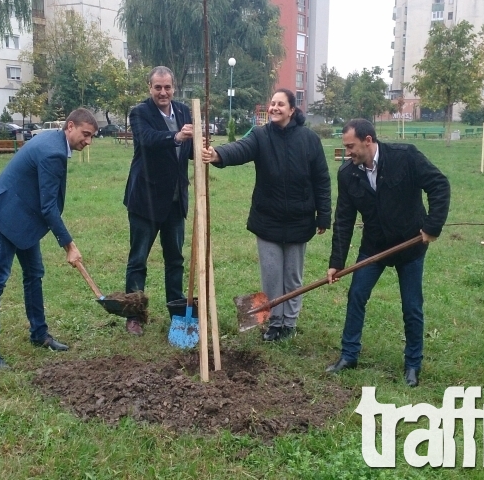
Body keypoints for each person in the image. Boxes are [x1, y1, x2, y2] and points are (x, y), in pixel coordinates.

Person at [325, 118, 450, 387]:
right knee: (356, 295)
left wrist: (432, 226)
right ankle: (349, 355)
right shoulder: (348, 173)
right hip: (374, 247)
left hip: (411, 246)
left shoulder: (405, 157)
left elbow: (439, 184)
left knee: (412, 306)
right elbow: (344, 219)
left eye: (351, 146)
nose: (348, 153)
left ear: (368, 140)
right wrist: (337, 262)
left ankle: (413, 365)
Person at [202, 88, 331, 341]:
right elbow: (241, 149)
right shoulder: (260, 136)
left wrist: (323, 215)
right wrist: (218, 154)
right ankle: (275, 322)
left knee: (293, 276)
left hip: (299, 219)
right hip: (267, 219)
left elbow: (322, 179)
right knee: (272, 275)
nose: (274, 108)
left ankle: (290, 324)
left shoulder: (309, 139)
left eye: (280, 104)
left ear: (292, 110)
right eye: (272, 103)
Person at [0, 108, 98, 370]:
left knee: (34, 273)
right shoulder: (53, 151)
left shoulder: (53, 140)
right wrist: (69, 245)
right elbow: (48, 207)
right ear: (70, 127)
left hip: (23, 216)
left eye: (92, 137)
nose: (88, 141)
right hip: (8, 214)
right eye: (85, 134)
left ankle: (39, 335)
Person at [123, 66, 194, 336]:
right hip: (146, 200)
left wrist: (203, 149)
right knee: (138, 259)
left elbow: (187, 151)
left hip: (175, 201)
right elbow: (148, 140)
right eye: (157, 87)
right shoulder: (140, 112)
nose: (163, 92)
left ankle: (177, 315)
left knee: (175, 259)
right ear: (150, 89)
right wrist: (175, 136)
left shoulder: (185, 111)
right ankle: (134, 316)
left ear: (173, 87)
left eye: (167, 87)